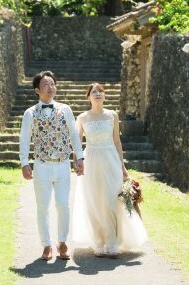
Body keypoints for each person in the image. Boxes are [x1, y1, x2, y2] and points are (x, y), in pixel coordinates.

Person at [71, 82, 147, 257]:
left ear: (104, 96)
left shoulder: (112, 115)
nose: (98, 94)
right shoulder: (82, 118)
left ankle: (113, 243)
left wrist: (122, 166)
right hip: (91, 161)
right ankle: (99, 242)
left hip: (111, 160)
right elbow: (76, 143)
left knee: (112, 202)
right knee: (94, 202)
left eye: (100, 91)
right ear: (88, 97)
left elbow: (117, 142)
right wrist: (77, 161)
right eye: (94, 91)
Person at [19, 71, 84, 261]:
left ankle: (62, 243)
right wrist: (24, 162)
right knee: (43, 206)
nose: (50, 87)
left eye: (53, 84)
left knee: (63, 205)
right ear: (37, 90)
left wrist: (79, 157)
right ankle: (46, 244)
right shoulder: (30, 113)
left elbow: (73, 134)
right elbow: (24, 139)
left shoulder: (65, 109)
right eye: (46, 85)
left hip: (63, 164)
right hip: (42, 165)